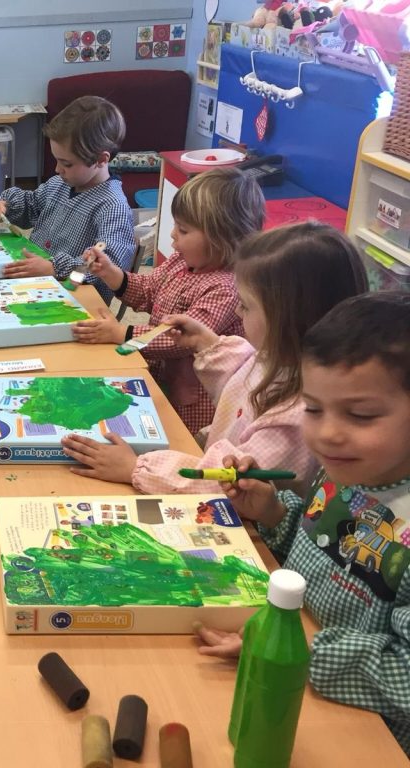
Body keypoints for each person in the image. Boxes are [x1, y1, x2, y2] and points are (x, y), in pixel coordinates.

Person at [195, 291, 410, 755]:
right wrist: (271, 510)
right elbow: (316, 548)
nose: (328, 433)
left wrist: (301, 655)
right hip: (287, 673)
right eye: (313, 409)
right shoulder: (344, 471)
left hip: (365, 735)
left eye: (361, 415)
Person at [62, 222, 368, 495]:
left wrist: (135, 467)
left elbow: (224, 482)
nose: (237, 311)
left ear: (286, 319)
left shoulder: (295, 418)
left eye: (246, 306)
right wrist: (206, 343)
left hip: (237, 523)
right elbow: (241, 381)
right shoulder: (275, 358)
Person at [77, 167, 265, 434]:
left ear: (222, 239)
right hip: (158, 373)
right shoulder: (180, 261)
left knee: (177, 436)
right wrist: (111, 273)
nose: (173, 234)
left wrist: (121, 333)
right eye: (176, 225)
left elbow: (179, 338)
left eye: (184, 230)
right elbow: (148, 290)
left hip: (191, 399)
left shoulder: (226, 287)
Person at [0, 95, 134, 303]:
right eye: (57, 160)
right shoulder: (59, 183)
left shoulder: (112, 207)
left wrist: (54, 269)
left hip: (74, 299)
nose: (57, 169)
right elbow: (31, 206)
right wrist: (5, 207)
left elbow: (107, 266)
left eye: (67, 164)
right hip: (36, 285)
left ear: (101, 159)